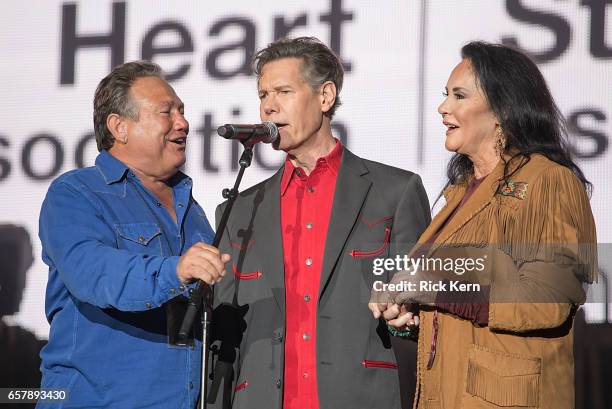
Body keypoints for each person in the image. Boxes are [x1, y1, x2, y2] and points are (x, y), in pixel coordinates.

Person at [370, 41, 598, 409]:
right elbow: (464, 316)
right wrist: (410, 317)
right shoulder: (458, 196)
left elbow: (547, 301)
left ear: (502, 109)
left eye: (459, 96)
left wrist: (436, 289)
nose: (443, 107)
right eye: (446, 95)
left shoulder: (547, 181)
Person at [207, 37, 431, 409]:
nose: (269, 106)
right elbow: (225, 339)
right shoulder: (240, 209)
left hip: (361, 396)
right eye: (263, 94)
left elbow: (421, 307)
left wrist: (402, 314)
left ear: (325, 97)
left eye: (283, 91)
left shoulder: (395, 191)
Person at [38, 60, 230, 408]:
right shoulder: (76, 194)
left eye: (182, 111)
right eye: (166, 112)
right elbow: (95, 274)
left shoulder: (194, 210)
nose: (183, 123)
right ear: (119, 127)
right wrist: (176, 271)